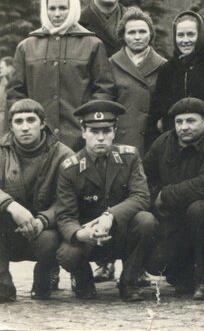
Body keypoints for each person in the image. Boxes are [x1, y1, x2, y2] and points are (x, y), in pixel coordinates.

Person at [0, 98, 74, 304]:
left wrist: (42, 220)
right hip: (12, 227)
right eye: (18, 122)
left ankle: (43, 273)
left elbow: (67, 200)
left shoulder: (62, 153)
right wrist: (12, 207)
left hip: (44, 228)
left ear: (43, 123)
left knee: (49, 241)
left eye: (31, 120)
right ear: (11, 126)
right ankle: (4, 282)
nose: (25, 127)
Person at [54, 100, 156, 301]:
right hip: (88, 238)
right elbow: (65, 215)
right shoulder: (70, 168)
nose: (100, 138)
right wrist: (81, 233)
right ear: (83, 132)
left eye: (106, 131)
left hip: (119, 233)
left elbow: (141, 196)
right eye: (93, 131)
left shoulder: (129, 157)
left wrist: (110, 216)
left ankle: (128, 281)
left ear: (114, 131)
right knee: (67, 254)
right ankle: (83, 279)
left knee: (146, 221)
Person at [5, 0, 116, 152]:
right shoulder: (26, 47)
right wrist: (25, 127)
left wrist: (88, 125)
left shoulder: (92, 44)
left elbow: (104, 90)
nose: (57, 14)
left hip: (79, 140)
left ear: (72, 8)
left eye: (63, 8)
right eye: (52, 8)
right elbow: (15, 93)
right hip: (37, 141)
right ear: (45, 9)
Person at [144, 97, 204, 299]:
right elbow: (143, 177)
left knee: (199, 209)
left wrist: (166, 194)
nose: (184, 127)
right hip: (171, 217)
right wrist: (155, 197)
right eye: (179, 122)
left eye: (191, 121)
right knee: (156, 262)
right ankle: (181, 274)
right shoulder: (163, 142)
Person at [148, 10, 204, 138]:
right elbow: (157, 112)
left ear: (200, 35)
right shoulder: (167, 70)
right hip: (176, 142)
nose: (185, 40)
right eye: (180, 35)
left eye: (190, 34)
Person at [109, 7, 166, 154]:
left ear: (151, 34)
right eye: (131, 32)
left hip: (151, 142)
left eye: (142, 32)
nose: (137, 37)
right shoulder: (110, 64)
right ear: (123, 36)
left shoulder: (164, 66)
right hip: (119, 141)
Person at [0, 56, 14, 138]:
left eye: (2, 68)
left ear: (9, 67)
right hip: (1, 116)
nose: (0, 70)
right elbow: (0, 98)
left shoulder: (17, 80)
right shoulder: (3, 80)